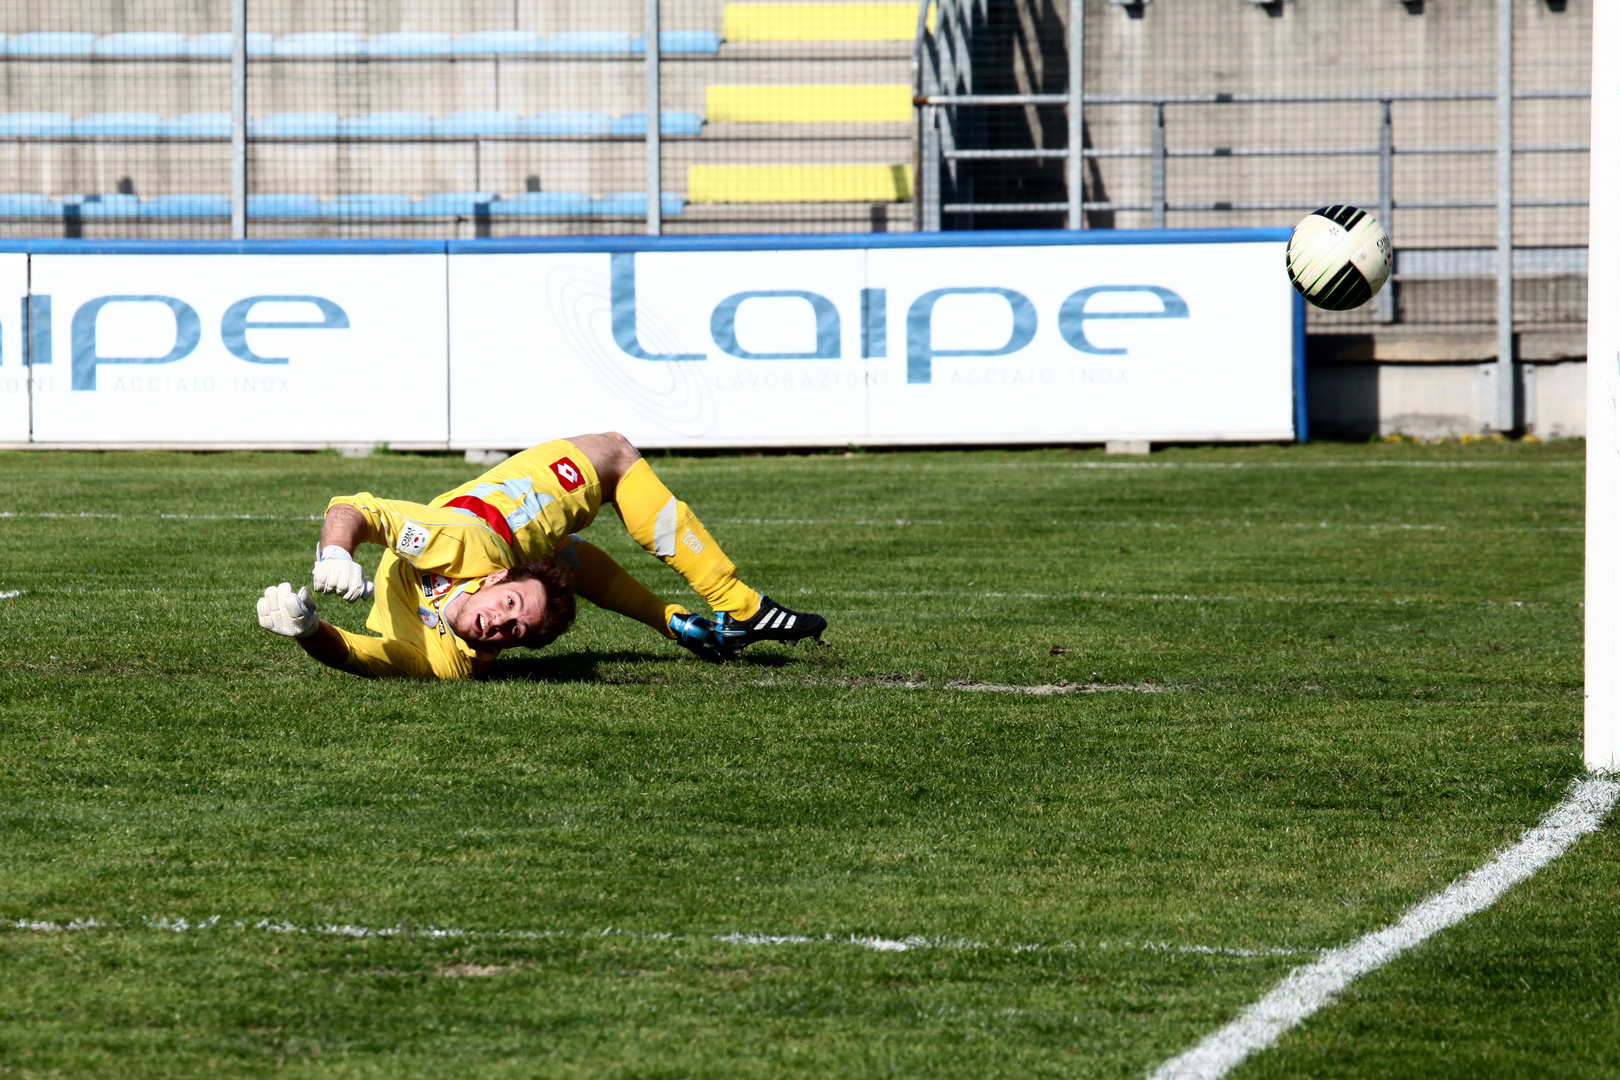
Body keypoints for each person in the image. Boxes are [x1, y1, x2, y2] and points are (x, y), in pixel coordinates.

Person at [254, 432, 826, 679]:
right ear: (495, 580)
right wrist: (335, 551)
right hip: (497, 519)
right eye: (510, 610)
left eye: (511, 632)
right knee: (614, 457)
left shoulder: (445, 659)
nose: (500, 623)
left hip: (500, 544)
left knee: (567, 559)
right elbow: (359, 509)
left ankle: (708, 613)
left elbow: (354, 654)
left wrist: (307, 629)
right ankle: (736, 604)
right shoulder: (460, 547)